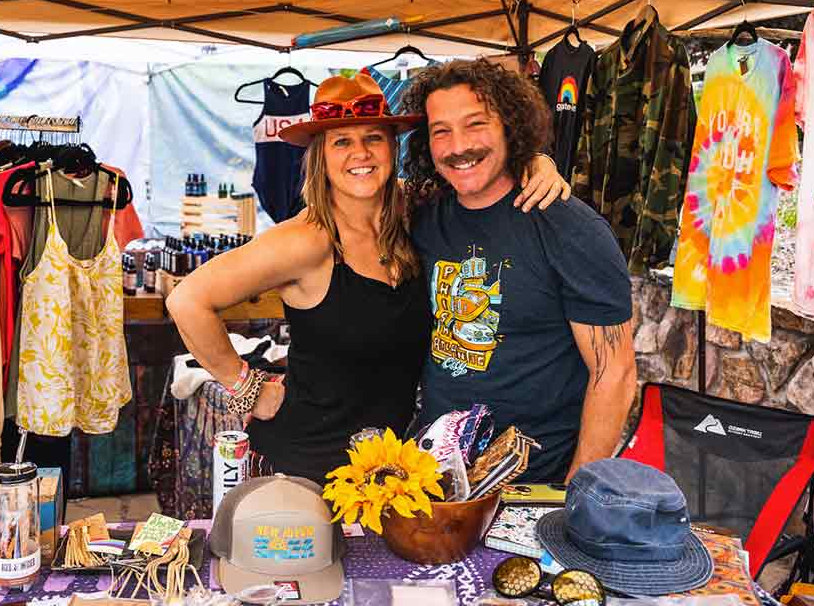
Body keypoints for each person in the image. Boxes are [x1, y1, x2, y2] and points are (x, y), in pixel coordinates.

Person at [167, 73, 569, 482]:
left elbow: (478, 174)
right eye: (342, 141)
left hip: (386, 470)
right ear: (321, 156)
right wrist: (248, 387)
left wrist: (536, 162)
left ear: (392, 148)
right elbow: (186, 300)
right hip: (302, 467)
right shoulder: (306, 241)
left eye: (373, 138)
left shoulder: (413, 212)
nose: (360, 153)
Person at [400, 59, 636, 483]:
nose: (458, 146)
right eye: (441, 131)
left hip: (532, 483)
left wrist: (574, 493)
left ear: (511, 126)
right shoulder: (424, 217)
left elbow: (614, 373)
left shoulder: (569, 229)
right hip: (433, 477)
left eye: (476, 125)